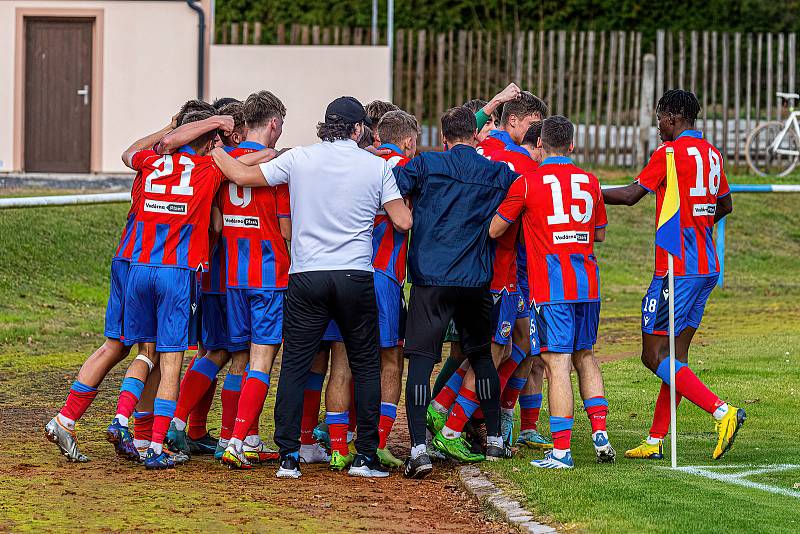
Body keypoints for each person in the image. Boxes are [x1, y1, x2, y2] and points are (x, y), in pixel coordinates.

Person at [210, 96, 412, 479]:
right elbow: (402, 222)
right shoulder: (376, 166)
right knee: (366, 366)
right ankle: (366, 457)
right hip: (355, 274)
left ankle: (289, 456)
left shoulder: (299, 158)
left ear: (326, 126)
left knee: (296, 366)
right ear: (357, 130)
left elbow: (240, 176)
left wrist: (217, 149)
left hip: (306, 275)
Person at [602, 89, 744, 461]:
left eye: (660, 119)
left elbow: (633, 194)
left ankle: (721, 411)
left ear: (674, 118)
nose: (658, 126)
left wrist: (586, 189)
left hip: (675, 269)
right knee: (676, 358)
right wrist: (695, 224)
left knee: (652, 356)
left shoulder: (668, 153)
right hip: (707, 266)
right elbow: (725, 204)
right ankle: (655, 439)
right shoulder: (712, 154)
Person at [44, 111, 184, 463]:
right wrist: (174, 130)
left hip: (131, 258)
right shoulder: (179, 170)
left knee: (132, 349)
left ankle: (130, 433)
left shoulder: (153, 162)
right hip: (142, 261)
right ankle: (72, 419)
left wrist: (170, 129)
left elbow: (129, 152)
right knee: (140, 350)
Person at [395, 105, 518, 479]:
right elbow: (520, 190)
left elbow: (391, 184)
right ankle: (495, 438)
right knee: (482, 358)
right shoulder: (496, 171)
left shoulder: (428, 164)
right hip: (474, 279)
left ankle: (418, 449)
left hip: (431, 279)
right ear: (477, 136)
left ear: (445, 139)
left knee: (420, 362)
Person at [428, 91, 548, 462]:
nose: (537, 134)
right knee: (495, 349)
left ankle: (491, 417)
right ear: (515, 122)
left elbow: (466, 125)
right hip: (499, 270)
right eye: (534, 125)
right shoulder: (523, 165)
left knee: (516, 345)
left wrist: (493, 103)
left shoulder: (487, 143)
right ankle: (452, 418)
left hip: (468, 266)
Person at [490, 115, 614, 469]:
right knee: (585, 356)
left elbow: (497, 228)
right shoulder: (590, 181)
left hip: (550, 287)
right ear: (572, 146)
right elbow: (600, 233)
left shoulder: (528, 182)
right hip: (588, 284)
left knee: (556, 363)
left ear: (540, 144)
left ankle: (561, 452)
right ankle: (600, 434)